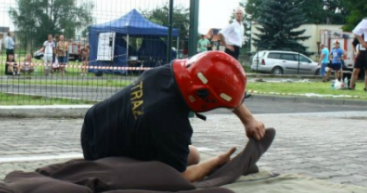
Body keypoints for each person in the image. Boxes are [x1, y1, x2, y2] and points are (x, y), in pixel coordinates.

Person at [81, 51, 272, 183]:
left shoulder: (164, 73)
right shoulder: (171, 125)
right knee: (185, 161)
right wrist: (216, 162)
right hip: (103, 160)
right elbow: (180, 178)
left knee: (193, 154)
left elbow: (213, 83)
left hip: (94, 124)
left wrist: (248, 119)